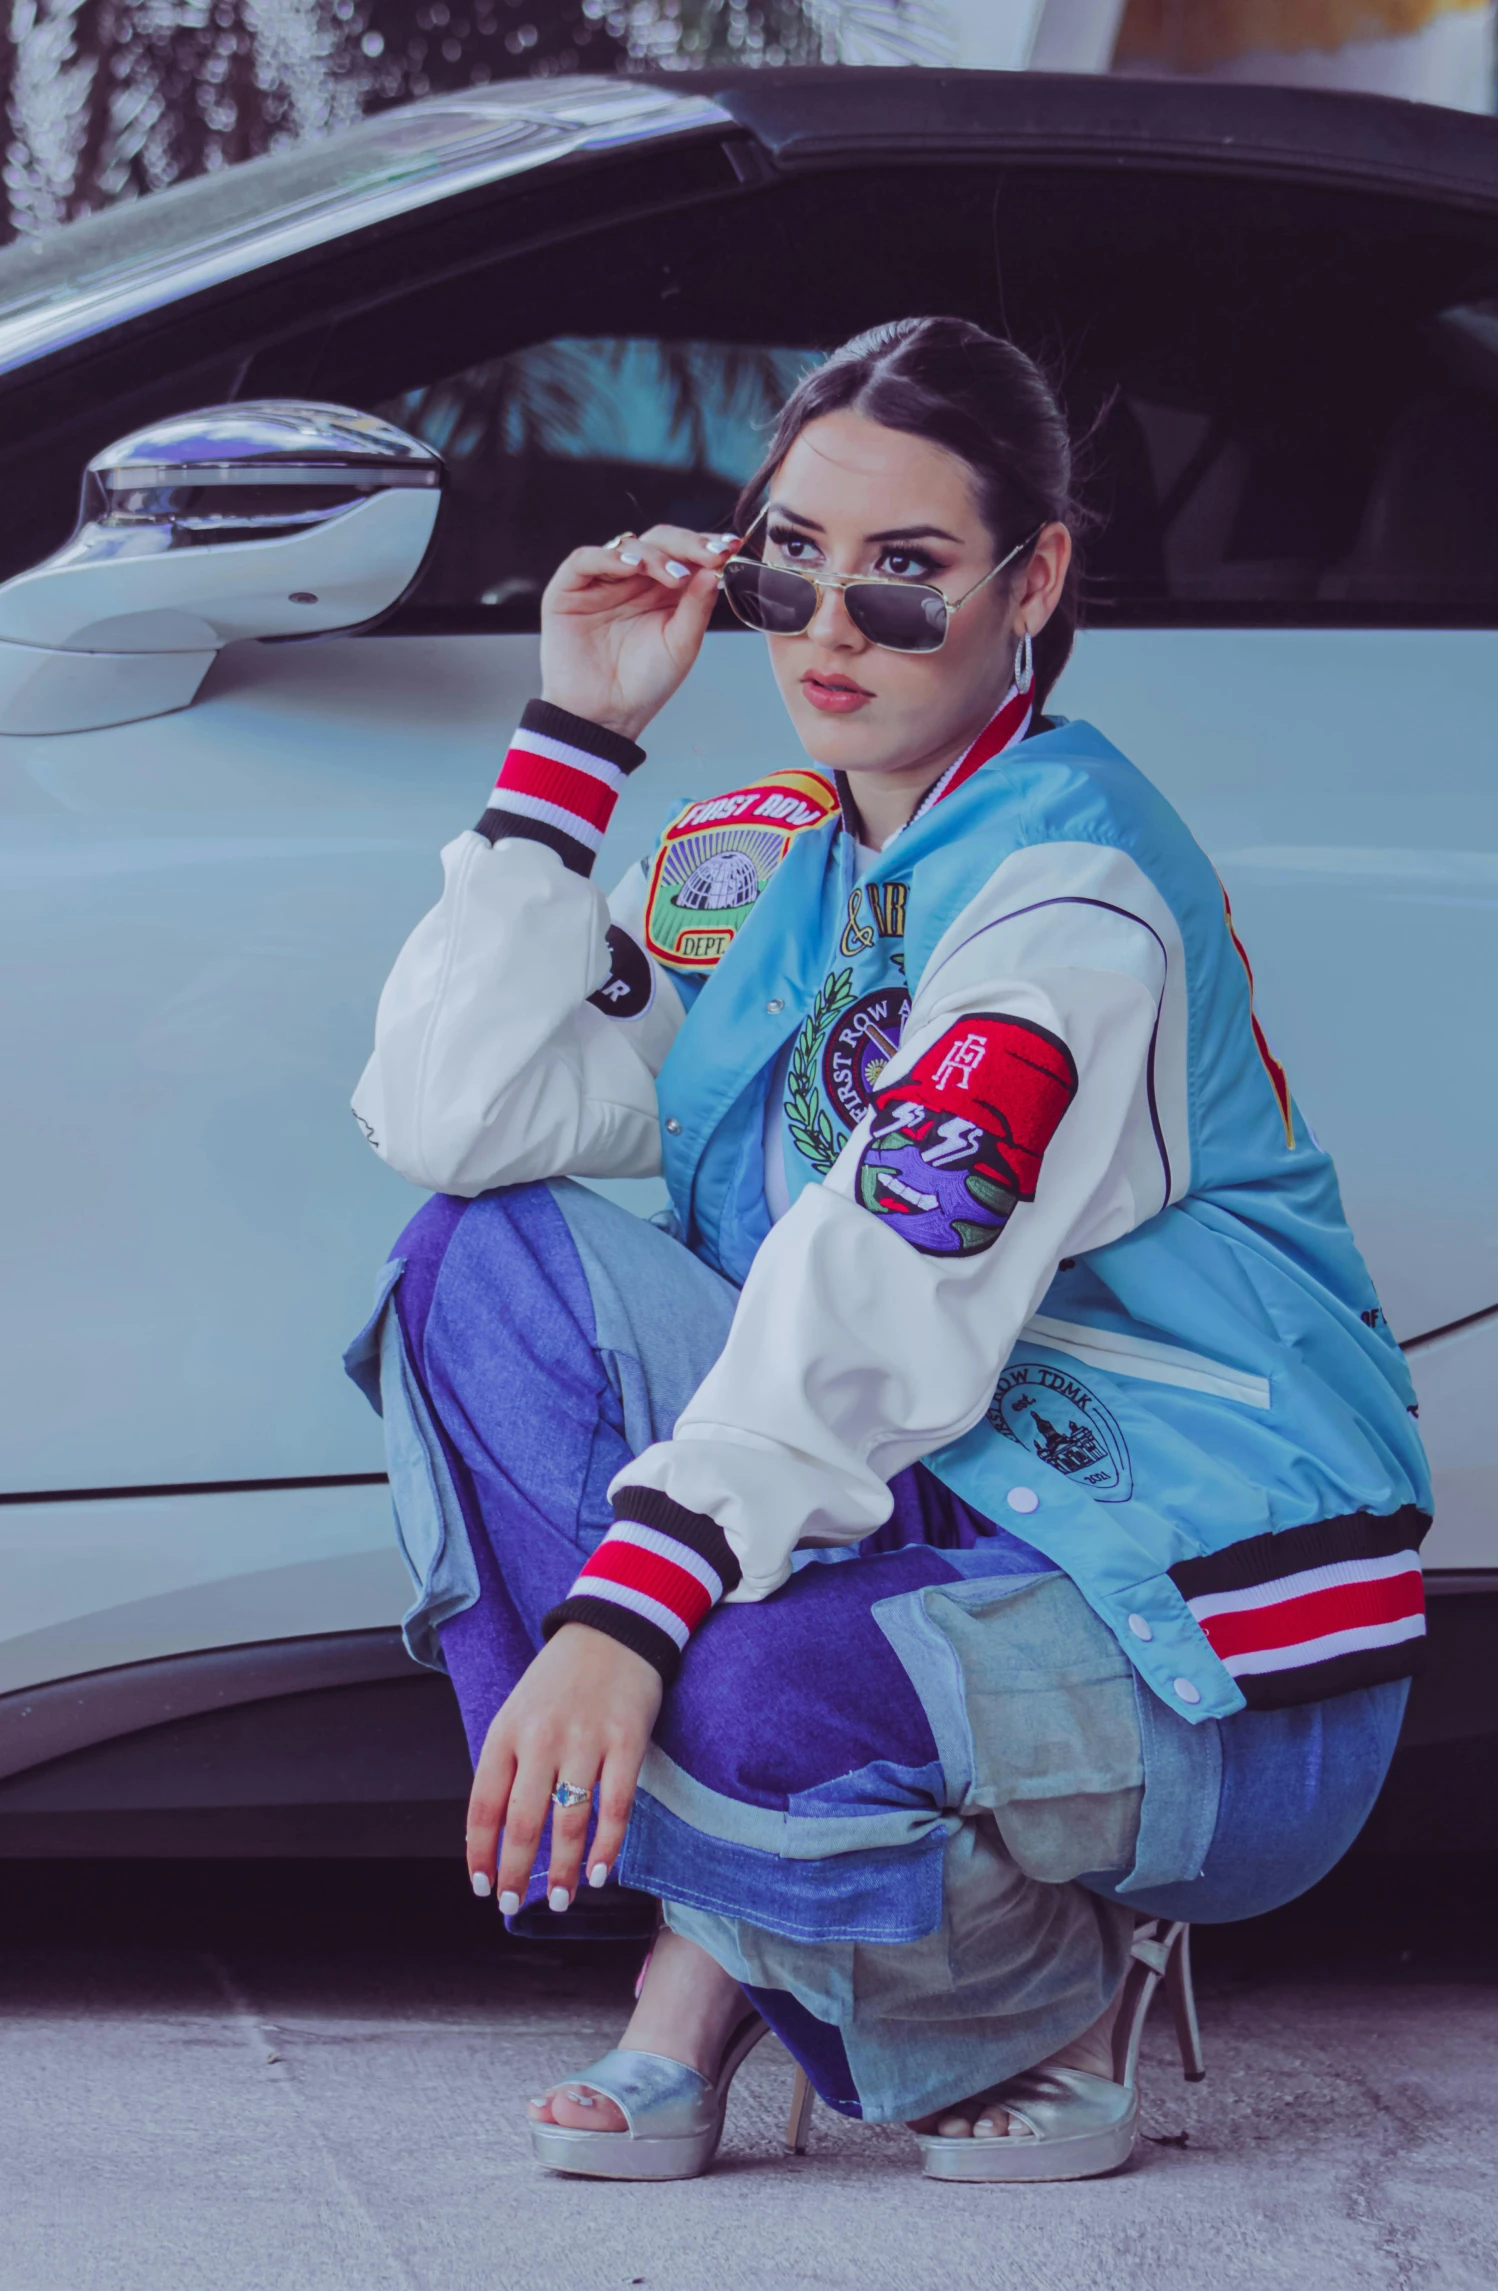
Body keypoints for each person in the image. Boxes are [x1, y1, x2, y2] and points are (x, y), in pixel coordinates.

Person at [346, 317, 1431, 2183]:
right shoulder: (759, 849)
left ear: (1036, 580)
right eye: (789, 564)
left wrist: (621, 1617)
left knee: (738, 1680)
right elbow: (454, 1112)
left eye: (905, 577)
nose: (828, 632)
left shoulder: (1068, 895)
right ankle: (796, 1948)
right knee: (471, 1270)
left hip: (1186, 1604)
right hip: (927, 1518)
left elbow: (882, 1285)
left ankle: (1000, 1992)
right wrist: (574, 742)